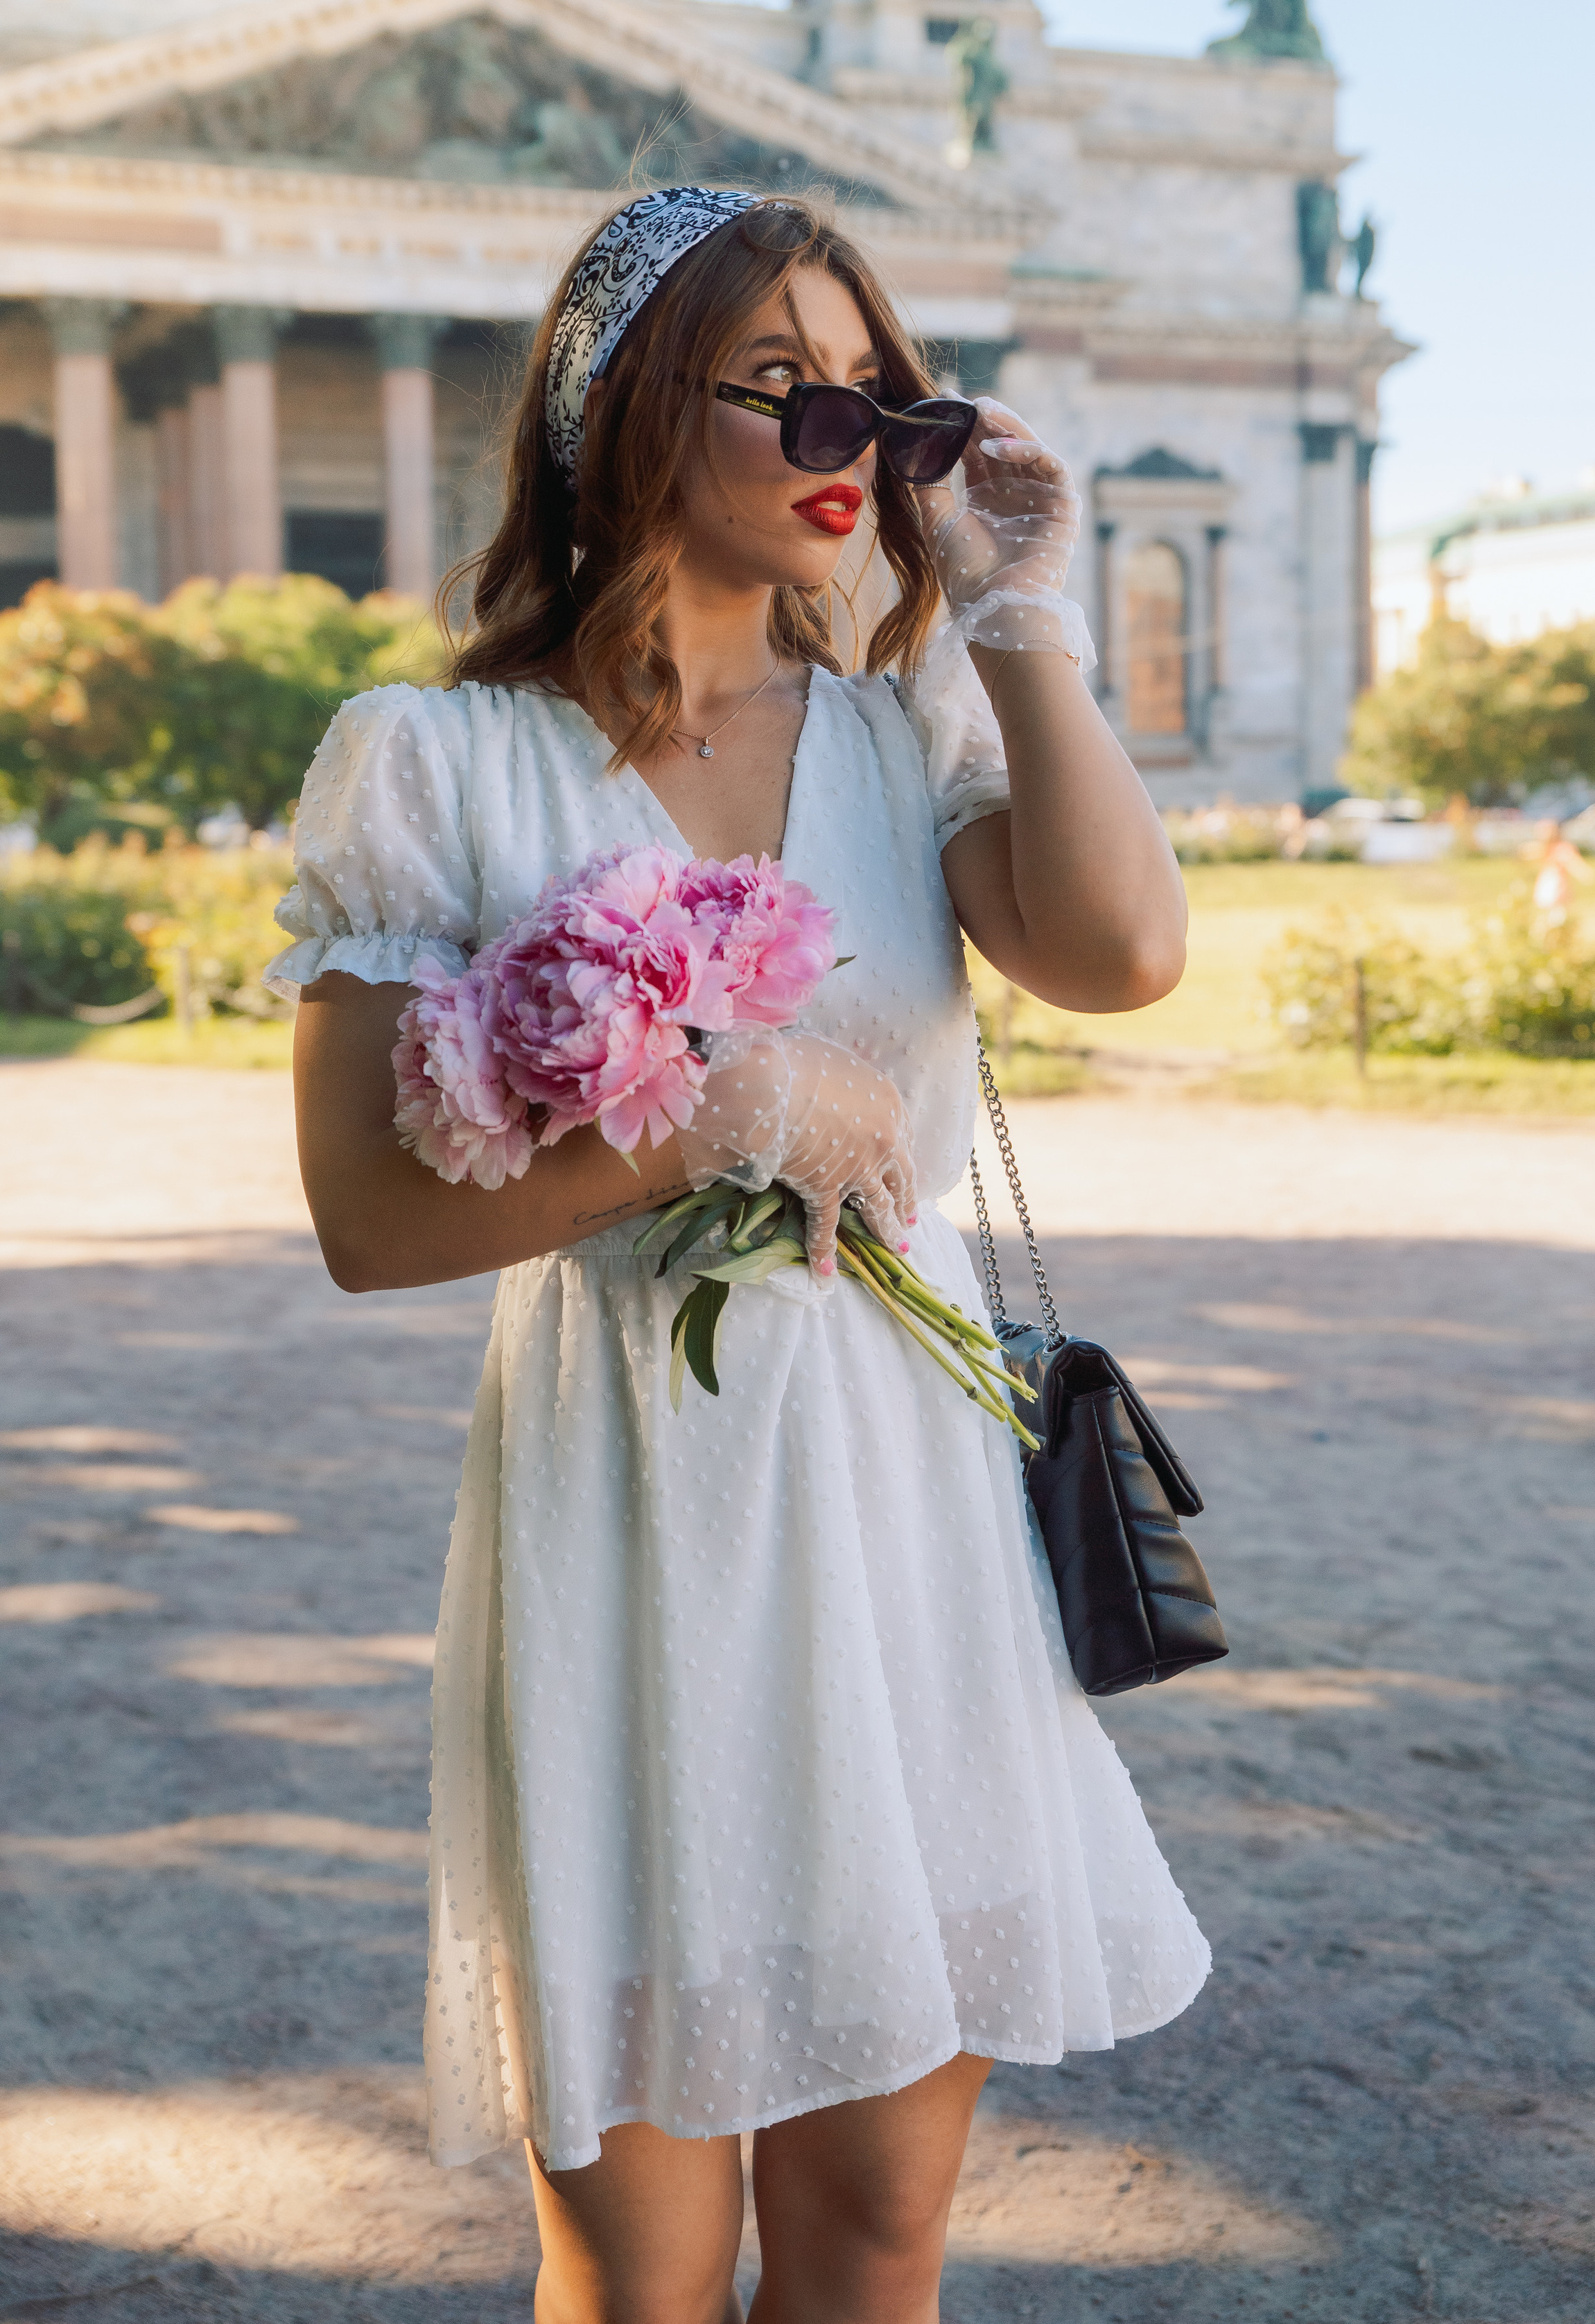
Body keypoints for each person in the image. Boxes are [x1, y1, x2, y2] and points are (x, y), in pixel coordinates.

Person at [273, 189, 1208, 2324]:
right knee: (643, 2263)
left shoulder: (904, 731)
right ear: (617, 409)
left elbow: (1124, 952)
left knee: (879, 2228)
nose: (846, 438)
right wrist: (717, 1119)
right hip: (632, 1533)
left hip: (910, 1524)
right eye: (783, 384)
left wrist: (1019, 610)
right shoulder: (438, 763)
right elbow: (367, 1221)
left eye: (878, 394)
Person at [1527, 818, 1590, 928]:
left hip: (1554, 885)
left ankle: (1551, 930)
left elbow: (1573, 863)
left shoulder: (1559, 849)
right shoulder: (1550, 849)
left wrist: (1583, 873)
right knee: (1555, 914)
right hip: (1552, 885)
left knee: (1554, 913)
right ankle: (1553, 930)